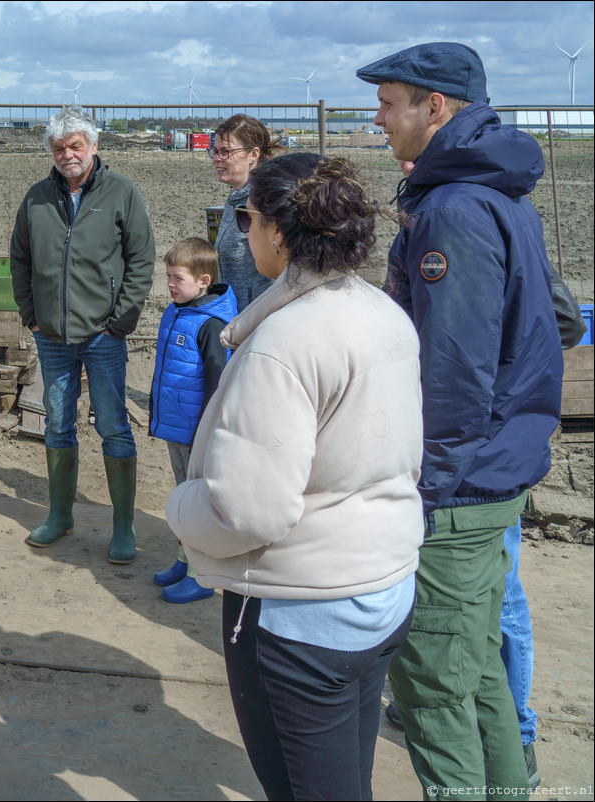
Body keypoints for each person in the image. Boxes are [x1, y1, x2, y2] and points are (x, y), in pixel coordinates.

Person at [166, 152, 423, 800]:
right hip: (384, 589)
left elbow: (247, 512)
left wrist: (180, 507)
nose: (240, 228)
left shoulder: (283, 344)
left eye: (245, 215)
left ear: (279, 231)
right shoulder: (383, 312)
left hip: (302, 618)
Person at [357, 42, 563, 799]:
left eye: (388, 104)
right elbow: (553, 321)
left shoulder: (453, 208)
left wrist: (429, 486)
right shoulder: (498, 194)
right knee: (477, 678)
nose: (377, 119)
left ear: (433, 107)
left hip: (460, 489)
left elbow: (453, 370)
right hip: (494, 471)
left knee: (432, 694)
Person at [10, 106, 155, 564]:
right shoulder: (36, 197)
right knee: (57, 422)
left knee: (113, 426)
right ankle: (60, 515)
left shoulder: (121, 193)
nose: (67, 154)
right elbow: (20, 260)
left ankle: (123, 526)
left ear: (94, 147)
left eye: (76, 146)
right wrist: (31, 315)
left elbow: (141, 260)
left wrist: (121, 322)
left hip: (103, 335)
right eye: (59, 148)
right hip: (51, 334)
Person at [148, 237, 236, 604]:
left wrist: (206, 431)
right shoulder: (176, 311)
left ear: (203, 281)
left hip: (196, 433)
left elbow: (217, 384)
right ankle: (184, 562)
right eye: (167, 276)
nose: (169, 285)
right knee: (183, 499)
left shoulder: (212, 325)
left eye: (177, 278)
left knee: (197, 505)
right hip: (176, 426)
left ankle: (202, 578)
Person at [209, 114, 283, 308]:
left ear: (254, 154)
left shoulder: (265, 203)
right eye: (215, 151)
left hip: (258, 321)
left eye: (226, 151)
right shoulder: (237, 197)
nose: (217, 159)